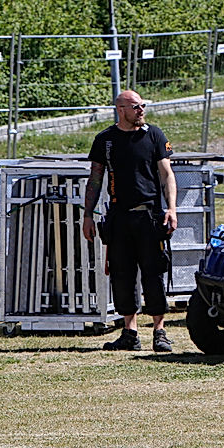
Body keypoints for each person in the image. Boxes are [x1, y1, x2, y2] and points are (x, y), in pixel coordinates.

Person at [83, 90, 178, 353]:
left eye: (143, 106)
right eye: (136, 106)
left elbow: (166, 174)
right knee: (122, 275)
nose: (141, 110)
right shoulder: (105, 140)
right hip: (119, 216)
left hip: (149, 215)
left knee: (154, 273)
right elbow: (95, 178)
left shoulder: (154, 135)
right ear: (120, 109)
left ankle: (159, 332)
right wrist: (88, 214)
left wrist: (171, 208)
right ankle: (129, 332)